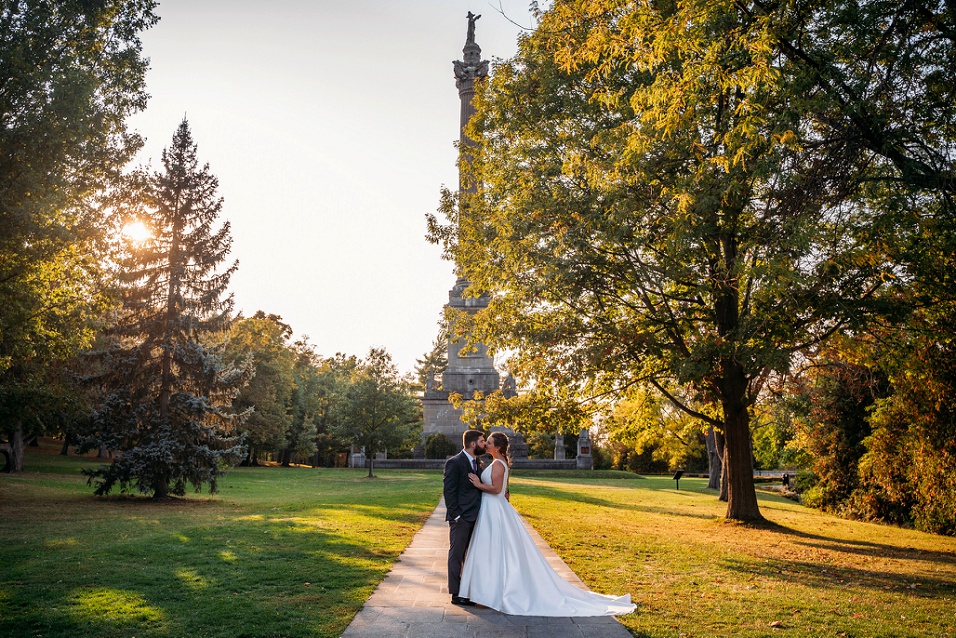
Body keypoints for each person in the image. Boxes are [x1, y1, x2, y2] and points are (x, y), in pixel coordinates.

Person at [459, 432, 636, 616]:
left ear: (497, 447)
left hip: (494, 510)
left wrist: (479, 485)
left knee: (495, 550)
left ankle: (493, 592)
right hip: (493, 509)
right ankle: (488, 591)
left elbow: (496, 489)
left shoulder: (497, 463)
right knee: (495, 551)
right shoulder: (499, 461)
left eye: (488, 442)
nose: (485, 444)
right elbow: (504, 488)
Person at [443, 429, 486, 606]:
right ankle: (456, 594)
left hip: (477, 517)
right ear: (473, 443)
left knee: (472, 556)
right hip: (461, 518)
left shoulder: (478, 463)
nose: (484, 444)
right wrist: (456, 515)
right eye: (482, 441)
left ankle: (468, 590)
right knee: (457, 555)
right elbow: (449, 491)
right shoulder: (455, 462)